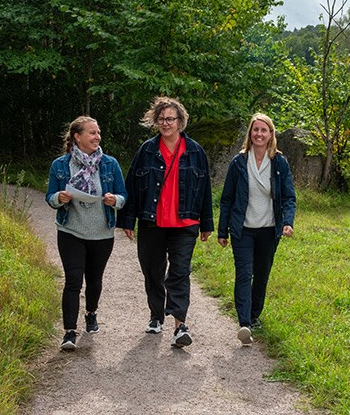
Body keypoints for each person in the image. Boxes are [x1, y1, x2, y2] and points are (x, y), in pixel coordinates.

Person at [117, 96, 214, 348]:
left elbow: (205, 190)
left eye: (170, 118)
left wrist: (207, 224)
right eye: (161, 119)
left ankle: (179, 325)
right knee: (152, 271)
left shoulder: (195, 151)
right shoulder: (147, 150)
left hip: (185, 223)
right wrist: (128, 219)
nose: (165, 123)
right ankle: (156, 315)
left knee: (180, 272)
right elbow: (132, 185)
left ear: (180, 121)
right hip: (152, 222)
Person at [46, 116, 128, 350]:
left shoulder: (110, 164)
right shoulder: (60, 165)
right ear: (77, 137)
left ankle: (91, 312)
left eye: (98, 132)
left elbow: (124, 196)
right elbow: (50, 197)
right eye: (91, 133)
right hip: (71, 230)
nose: (97, 137)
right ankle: (69, 332)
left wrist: (115, 200)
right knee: (73, 280)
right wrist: (58, 198)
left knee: (94, 280)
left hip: (102, 234)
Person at [217, 113, 296, 345]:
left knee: (261, 275)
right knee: (244, 274)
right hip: (243, 230)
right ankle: (244, 323)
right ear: (250, 134)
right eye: (255, 130)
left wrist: (287, 222)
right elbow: (227, 199)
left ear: (271, 135)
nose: (259, 134)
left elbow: (289, 197)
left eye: (264, 130)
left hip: (269, 230)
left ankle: (254, 315)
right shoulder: (239, 162)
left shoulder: (279, 163)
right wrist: (223, 231)